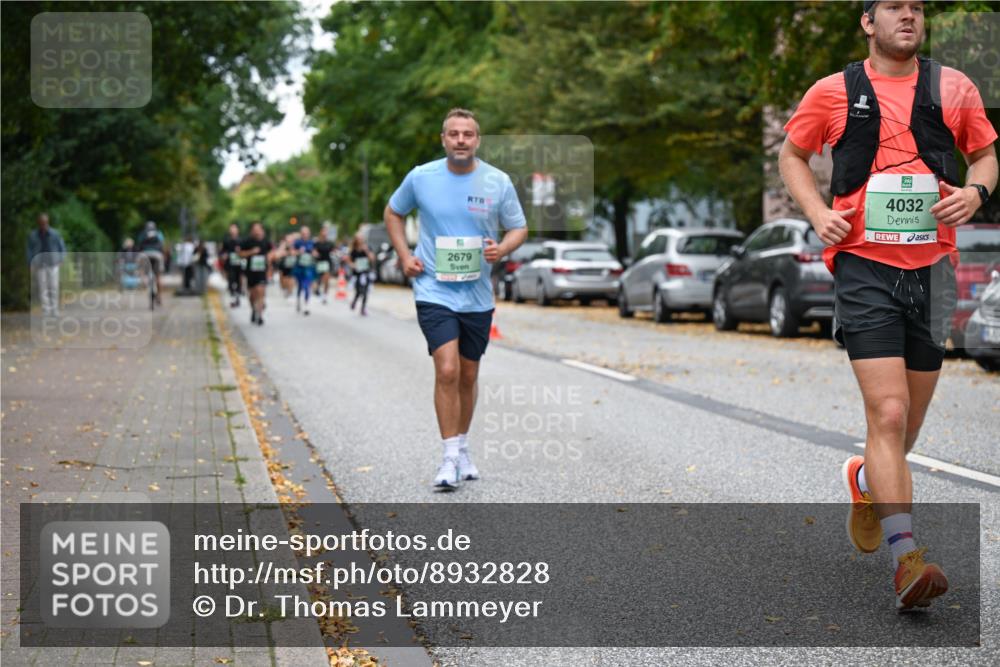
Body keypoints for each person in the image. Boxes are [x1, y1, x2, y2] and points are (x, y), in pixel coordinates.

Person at [778, 0, 997, 611]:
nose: (909, 15)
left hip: (934, 269)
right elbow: (791, 155)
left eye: (917, 7)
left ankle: (867, 480)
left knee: (907, 428)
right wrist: (818, 212)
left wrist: (976, 191)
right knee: (890, 413)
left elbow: (985, 155)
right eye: (894, 7)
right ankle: (908, 560)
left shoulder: (954, 87)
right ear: (868, 23)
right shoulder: (833, 91)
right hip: (863, 266)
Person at [385, 108, 528, 490]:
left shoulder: (497, 181)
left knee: (468, 373)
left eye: (467, 134)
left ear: (477, 140)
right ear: (443, 139)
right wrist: (404, 255)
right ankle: (448, 458)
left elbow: (519, 227)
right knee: (446, 369)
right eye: (453, 134)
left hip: (477, 295)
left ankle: (463, 446)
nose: (460, 139)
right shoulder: (421, 177)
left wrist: (503, 248)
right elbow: (393, 212)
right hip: (434, 288)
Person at [26, 212, 67, 316]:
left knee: (53, 286)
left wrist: (62, 258)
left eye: (44, 222)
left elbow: (62, 247)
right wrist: (30, 262)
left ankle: (54, 309)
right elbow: (29, 250)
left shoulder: (55, 234)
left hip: (53, 263)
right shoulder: (33, 235)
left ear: (47, 222)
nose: (43, 224)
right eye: (41, 222)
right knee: (42, 287)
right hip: (40, 264)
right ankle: (46, 310)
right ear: (38, 223)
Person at [239, 222, 274, 326]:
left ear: (261, 230)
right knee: (252, 295)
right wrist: (251, 252)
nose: (257, 231)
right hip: (250, 272)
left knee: (261, 291)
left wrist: (269, 260)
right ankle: (254, 309)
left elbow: (272, 252)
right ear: (252, 231)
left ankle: (259, 315)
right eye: (255, 229)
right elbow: (240, 254)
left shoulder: (266, 241)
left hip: (262, 271)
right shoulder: (247, 241)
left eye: (258, 229)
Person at [136, 221, 166, 305]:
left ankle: (143, 280)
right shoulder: (158, 233)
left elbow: (139, 246)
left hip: (145, 255)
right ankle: (159, 296)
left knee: (140, 267)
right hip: (157, 255)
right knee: (158, 276)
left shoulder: (143, 234)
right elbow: (162, 245)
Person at [347, 234, 376, 316]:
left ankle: (363, 309)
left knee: (365, 292)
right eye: (359, 239)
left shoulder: (367, 248)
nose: (360, 240)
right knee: (359, 291)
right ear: (356, 240)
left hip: (365, 273)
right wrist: (353, 265)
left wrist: (366, 251)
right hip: (357, 275)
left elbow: (372, 259)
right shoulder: (353, 250)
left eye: (362, 238)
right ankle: (354, 301)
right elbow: (349, 261)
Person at [293, 226, 317, 315]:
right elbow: (292, 252)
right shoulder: (297, 242)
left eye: (306, 233)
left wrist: (314, 254)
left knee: (307, 285)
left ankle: (306, 305)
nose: (305, 235)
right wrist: (299, 252)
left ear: (309, 234)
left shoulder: (312, 242)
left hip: (308, 267)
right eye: (303, 233)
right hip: (299, 267)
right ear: (301, 234)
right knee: (300, 285)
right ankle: (298, 300)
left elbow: (315, 252)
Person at [220, 223, 244, 307]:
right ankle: (233, 294)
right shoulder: (226, 240)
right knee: (231, 279)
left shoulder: (242, 240)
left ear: (238, 230)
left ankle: (237, 296)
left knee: (239, 280)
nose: (233, 230)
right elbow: (222, 251)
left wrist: (241, 251)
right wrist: (224, 255)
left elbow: (246, 250)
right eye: (231, 229)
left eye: (234, 229)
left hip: (239, 263)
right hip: (230, 263)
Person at [313, 225, 336, 304]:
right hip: (319, 262)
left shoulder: (330, 243)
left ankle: (325, 295)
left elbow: (334, 251)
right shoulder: (317, 243)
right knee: (318, 279)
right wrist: (314, 253)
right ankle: (317, 289)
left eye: (326, 232)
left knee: (326, 279)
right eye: (323, 231)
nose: (324, 233)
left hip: (327, 262)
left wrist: (335, 253)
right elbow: (313, 251)